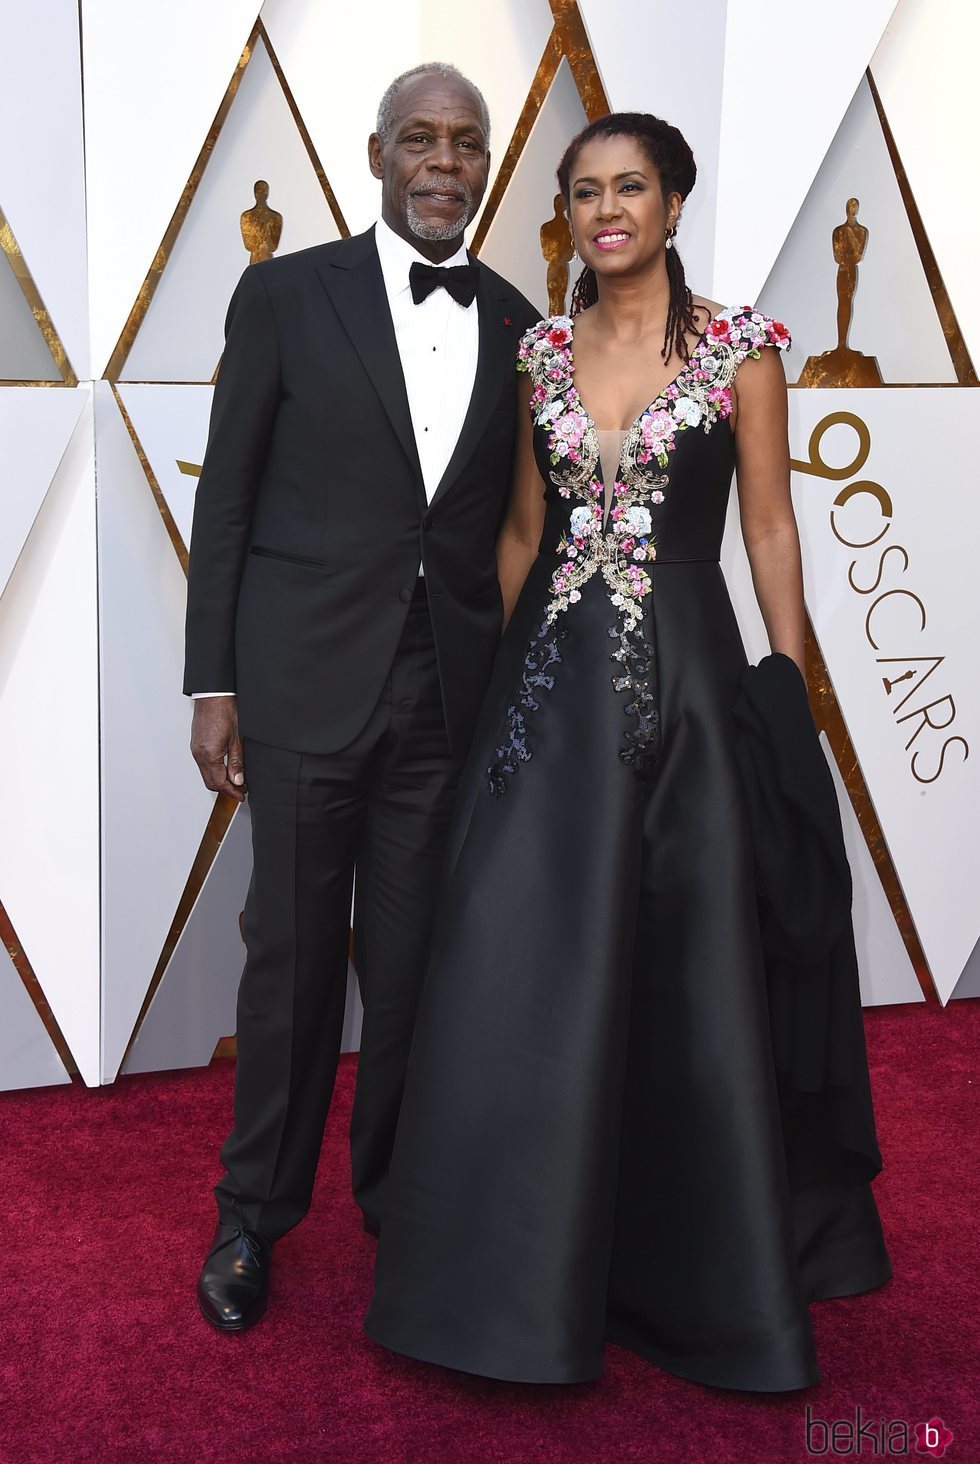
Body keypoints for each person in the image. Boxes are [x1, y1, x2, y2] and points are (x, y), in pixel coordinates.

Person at [365, 113, 892, 1391]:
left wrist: (786, 684)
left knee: (686, 977)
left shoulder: (742, 348)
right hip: (544, 703)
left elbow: (767, 527)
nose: (608, 209)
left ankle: (689, 1278)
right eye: (586, 191)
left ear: (670, 205)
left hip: (693, 694)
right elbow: (518, 536)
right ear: (568, 215)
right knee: (517, 968)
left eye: (630, 188)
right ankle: (507, 1275)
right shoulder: (537, 353)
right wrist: (488, 700)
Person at [184, 62, 538, 1334]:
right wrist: (212, 680)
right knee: (286, 965)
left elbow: (513, 520)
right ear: (377, 152)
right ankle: (250, 1220)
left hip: (445, 699)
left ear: (483, 166)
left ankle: (396, 1200)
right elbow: (224, 499)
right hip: (297, 686)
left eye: (466, 146)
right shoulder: (283, 292)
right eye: (421, 142)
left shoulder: (516, 319)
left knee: (412, 973)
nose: (443, 164)